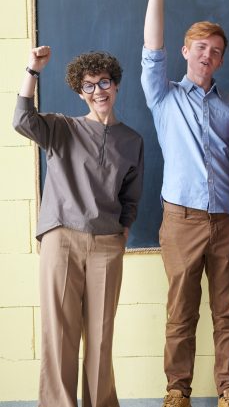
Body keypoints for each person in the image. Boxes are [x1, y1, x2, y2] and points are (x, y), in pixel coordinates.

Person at [13, 46, 143, 407]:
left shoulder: (132, 141)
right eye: (88, 86)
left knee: (101, 336)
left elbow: (131, 196)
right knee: (60, 332)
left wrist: (124, 230)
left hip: (107, 243)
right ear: (79, 92)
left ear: (115, 86)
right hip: (62, 239)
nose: (98, 91)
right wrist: (32, 70)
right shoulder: (61, 129)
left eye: (104, 82)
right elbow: (22, 121)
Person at [141, 0, 229, 407]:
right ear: (186, 51)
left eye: (216, 50)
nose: (208, 55)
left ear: (222, 59)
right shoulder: (162, 95)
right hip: (181, 218)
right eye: (200, 47)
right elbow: (151, 48)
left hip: (226, 219)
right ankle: (177, 391)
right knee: (180, 313)